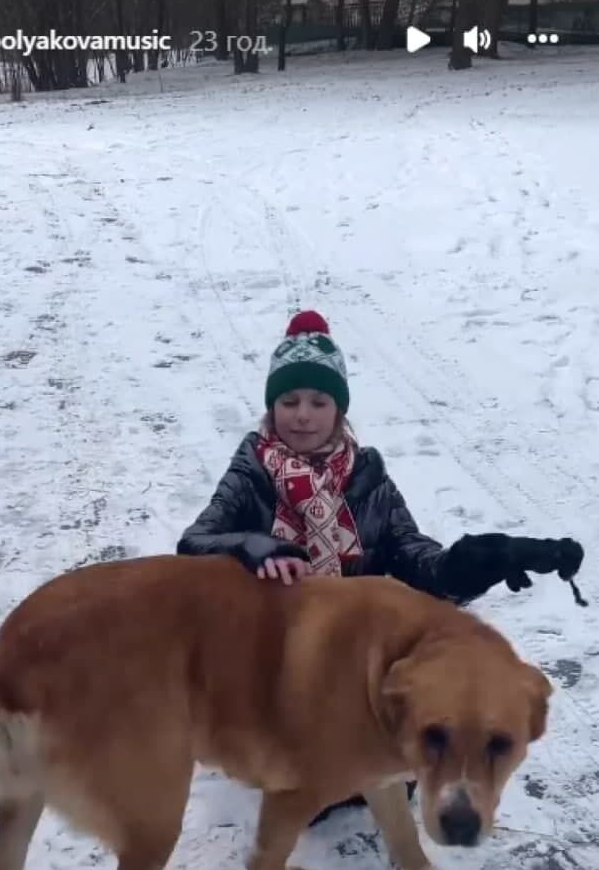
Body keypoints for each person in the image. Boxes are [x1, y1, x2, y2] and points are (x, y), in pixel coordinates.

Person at [176, 310, 585, 823]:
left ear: (339, 409)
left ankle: (347, 753)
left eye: (318, 402)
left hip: (349, 646)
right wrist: (251, 547)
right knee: (310, 782)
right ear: (272, 406)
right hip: (274, 648)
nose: (302, 415)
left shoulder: (368, 477)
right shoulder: (253, 470)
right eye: (289, 401)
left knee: (397, 711)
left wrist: (485, 559)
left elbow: (417, 561)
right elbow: (195, 543)